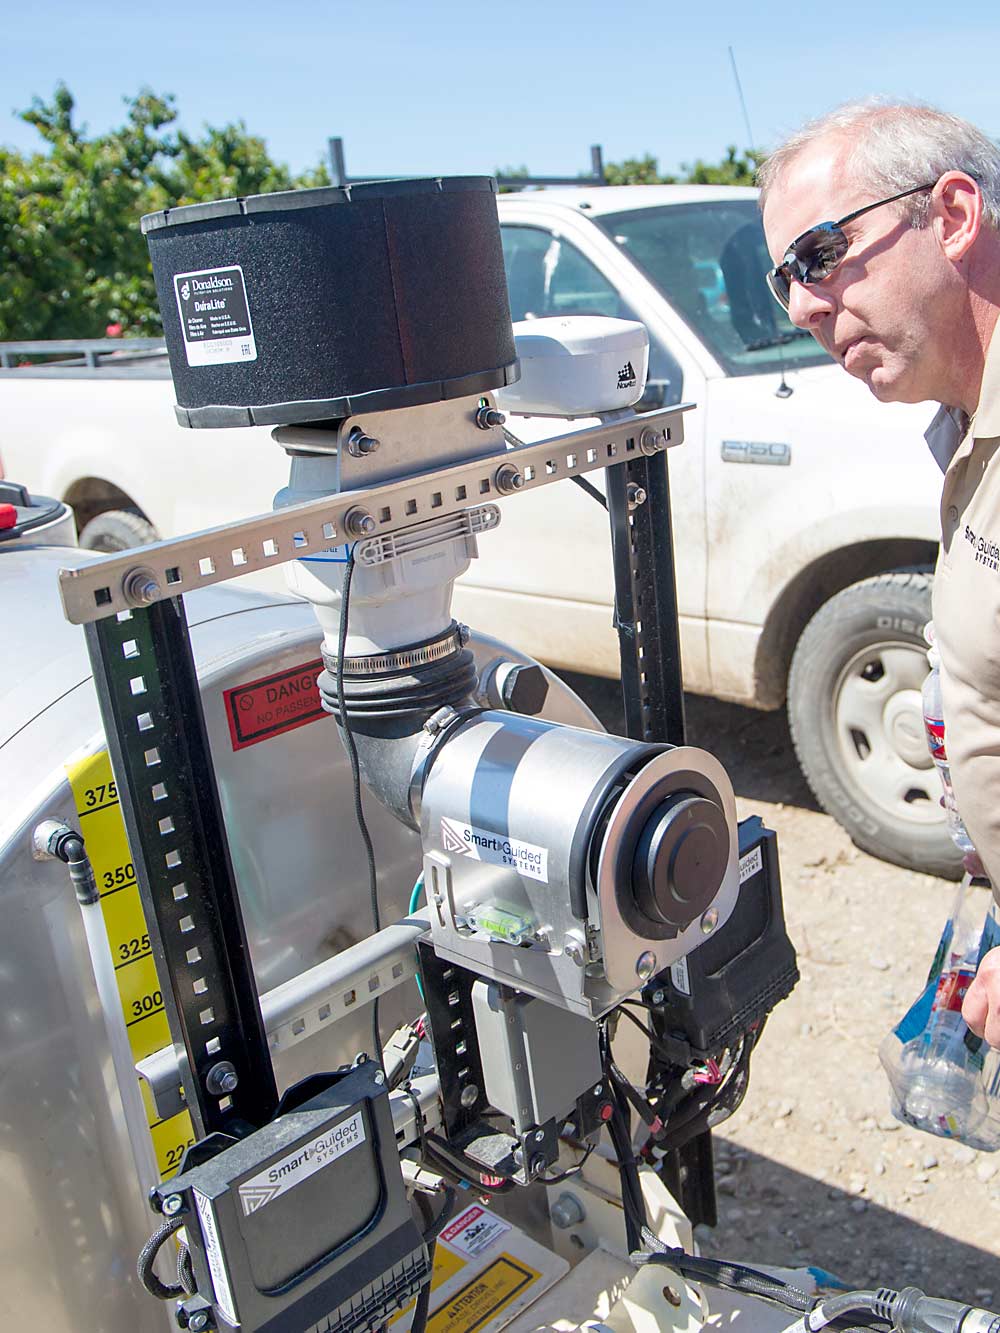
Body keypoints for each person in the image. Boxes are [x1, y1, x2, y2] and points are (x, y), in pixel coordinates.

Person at [756, 100, 1000, 1048]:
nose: (803, 307)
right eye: (782, 280)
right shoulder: (962, 423)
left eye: (818, 255)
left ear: (952, 213)